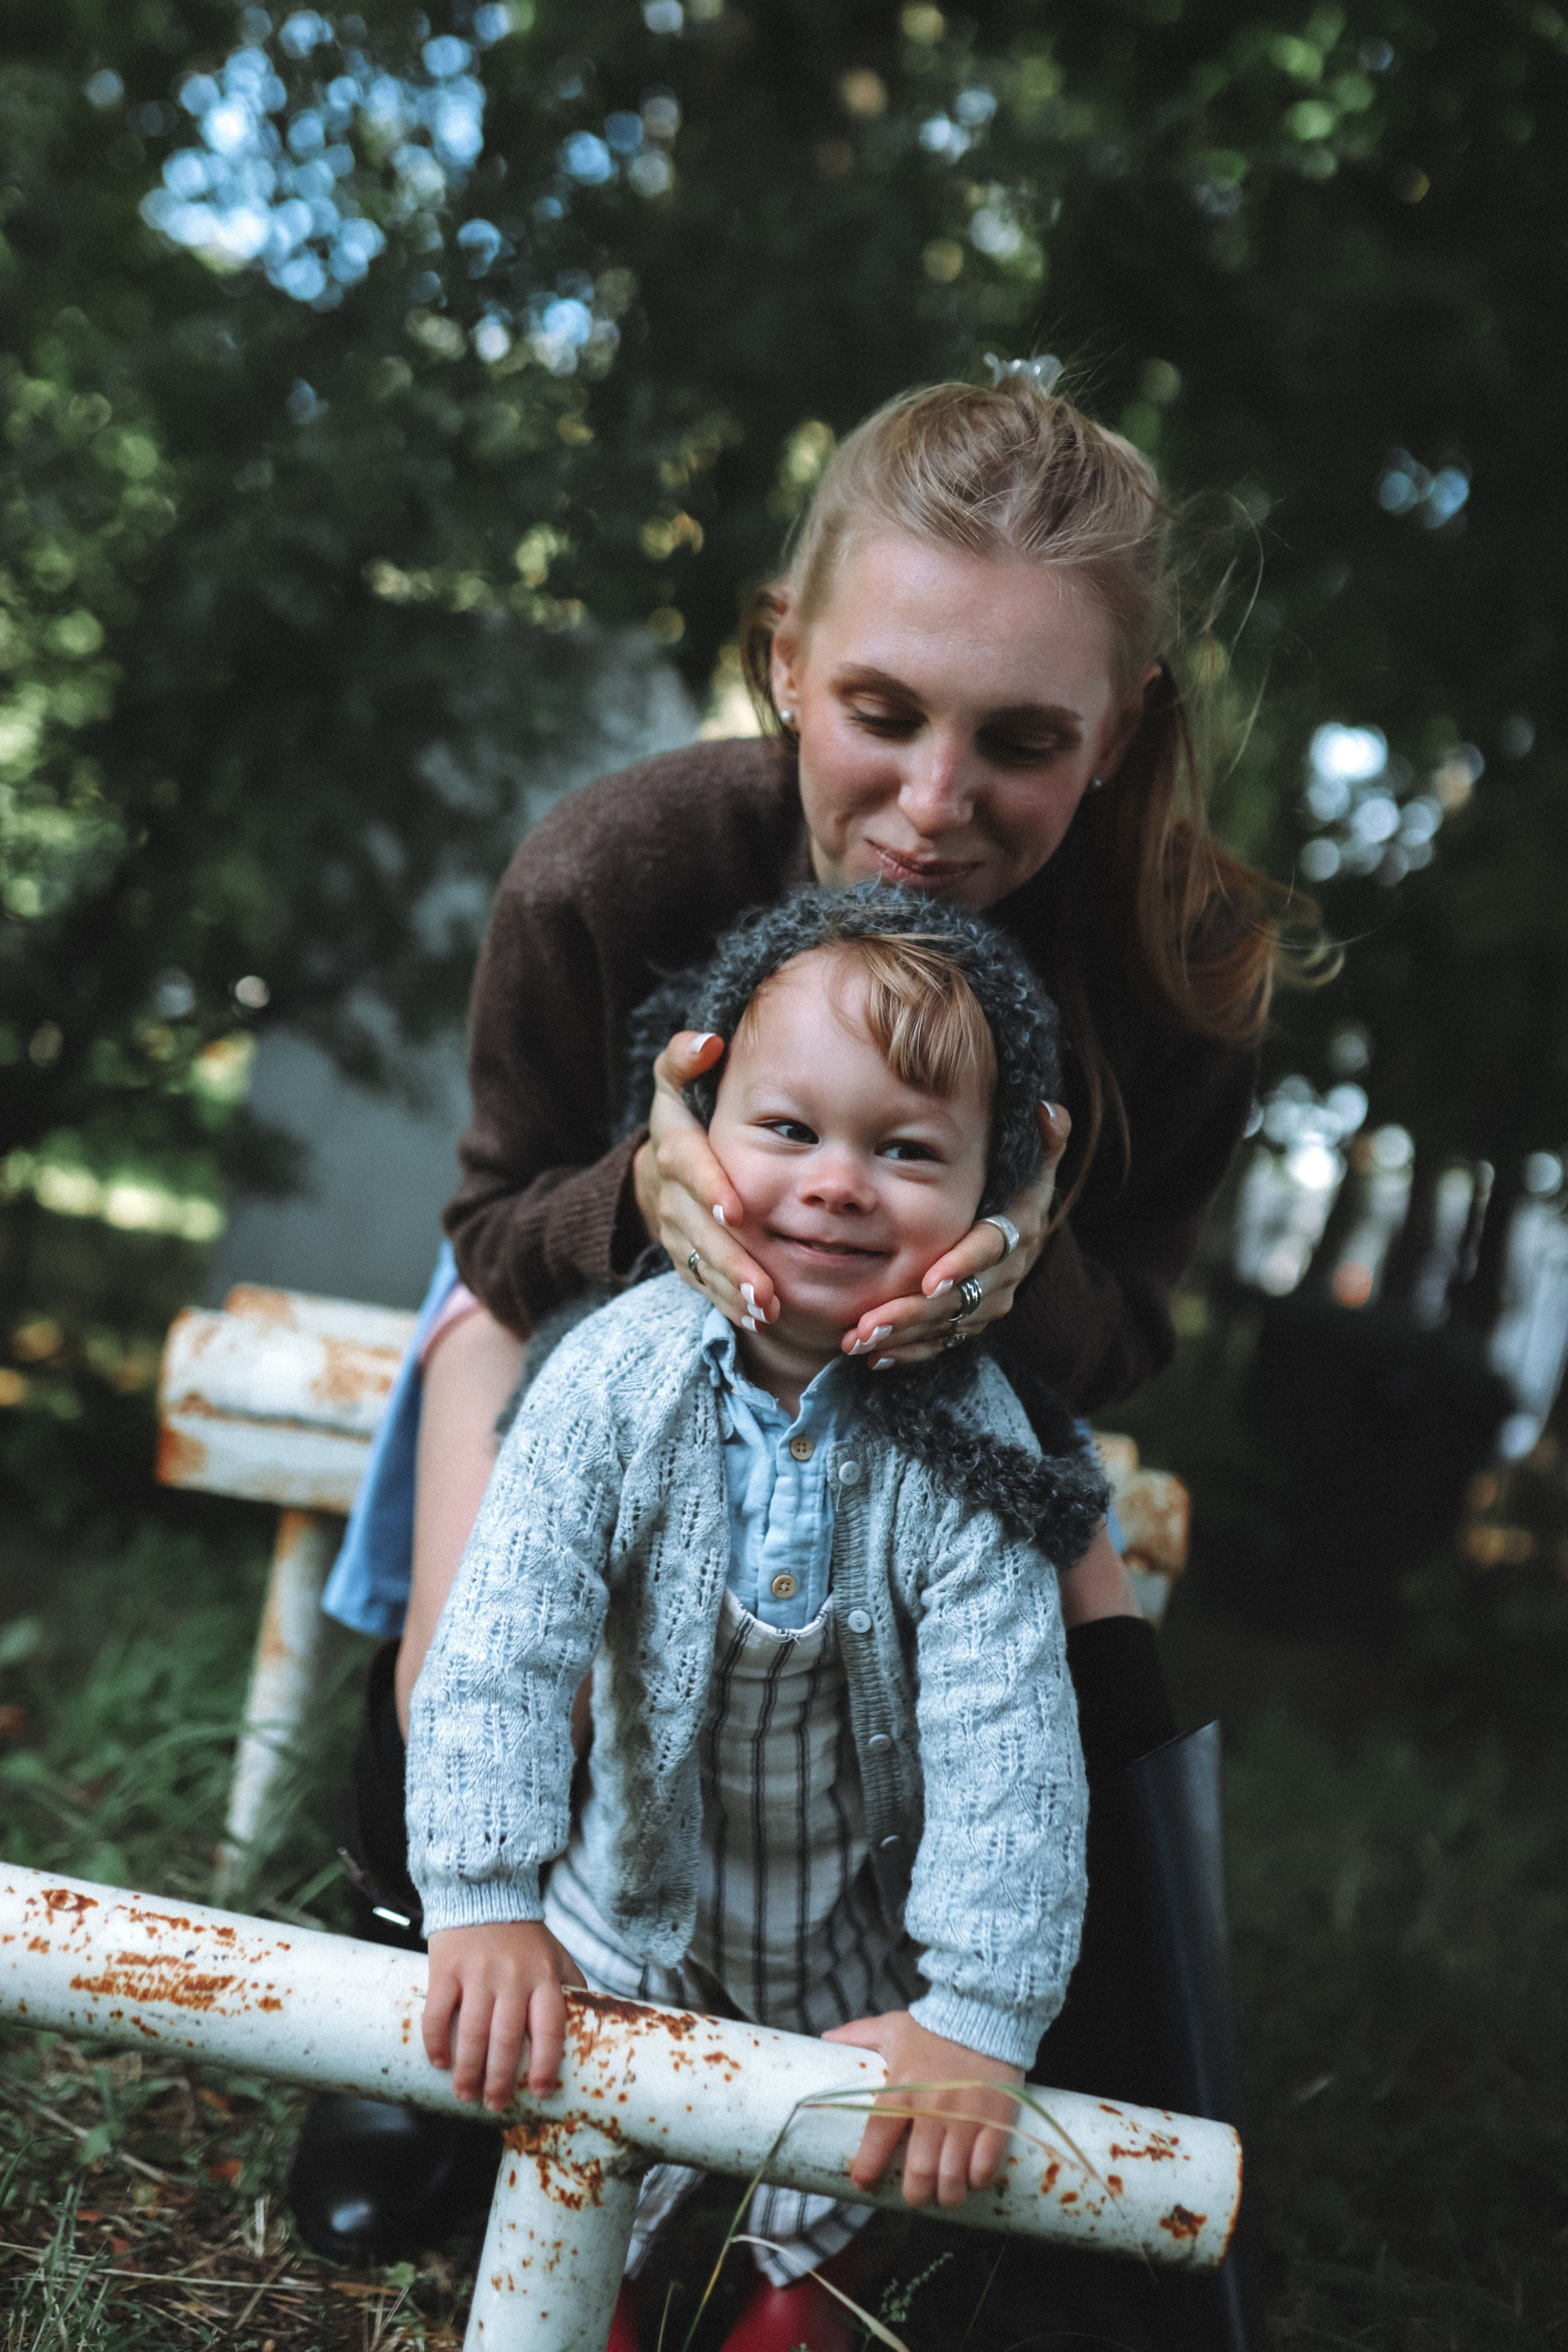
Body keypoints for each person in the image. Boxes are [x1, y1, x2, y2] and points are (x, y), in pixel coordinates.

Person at [293, 368, 1305, 2345]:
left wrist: (1014, 1273)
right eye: (884, 713)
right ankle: (425, 1938)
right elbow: (494, 1226)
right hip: (585, 1313)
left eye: (1023, 741)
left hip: (945, 1377)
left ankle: (1088, 2035)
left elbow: (1130, 1335)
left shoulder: (1182, 969)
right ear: (785, 661)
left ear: (1121, 733)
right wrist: (641, 1196)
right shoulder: (619, 866)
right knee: (490, 1515)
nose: (937, 801)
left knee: (1067, 1579)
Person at [408, 886, 1105, 2352]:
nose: (838, 1185)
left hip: (844, 1926)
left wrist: (977, 2011)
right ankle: (591, 2285)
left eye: (905, 1151)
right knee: (574, 2107)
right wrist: (484, 1898)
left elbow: (1010, 1745)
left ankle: (806, 2295)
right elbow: (501, 1648)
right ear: (692, 1130)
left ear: (994, 1203)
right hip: (620, 1899)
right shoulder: (613, 1380)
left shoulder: (970, 1443)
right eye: (788, 1129)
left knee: (867, 2141)